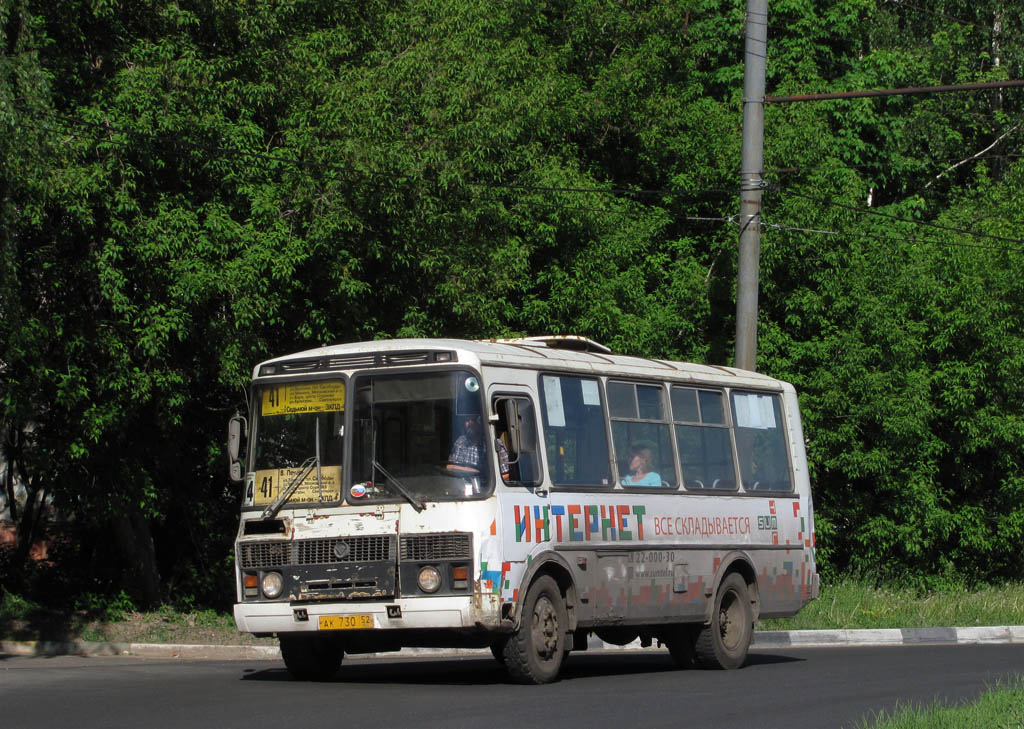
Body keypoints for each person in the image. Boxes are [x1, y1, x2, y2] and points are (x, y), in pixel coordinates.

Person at [446, 414, 510, 481]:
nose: (469, 424)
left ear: (481, 423)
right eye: (467, 420)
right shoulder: (461, 441)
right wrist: (474, 472)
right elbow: (450, 466)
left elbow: (505, 475)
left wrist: (487, 482)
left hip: (488, 488)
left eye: (473, 420)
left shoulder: (496, 444)